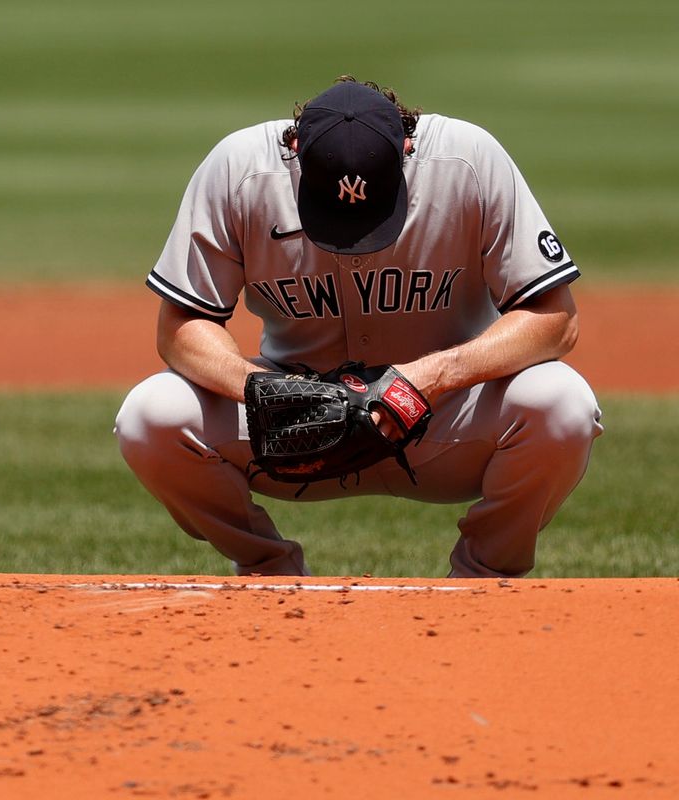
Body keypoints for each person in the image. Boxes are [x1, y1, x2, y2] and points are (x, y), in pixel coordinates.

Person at [114, 76, 603, 578]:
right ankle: (268, 571)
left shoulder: (469, 161)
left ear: (407, 148)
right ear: (295, 151)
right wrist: (262, 389)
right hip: (295, 426)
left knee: (562, 402)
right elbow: (181, 324)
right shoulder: (239, 169)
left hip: (446, 413)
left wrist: (432, 377)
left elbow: (556, 320)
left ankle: (483, 578)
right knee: (151, 416)